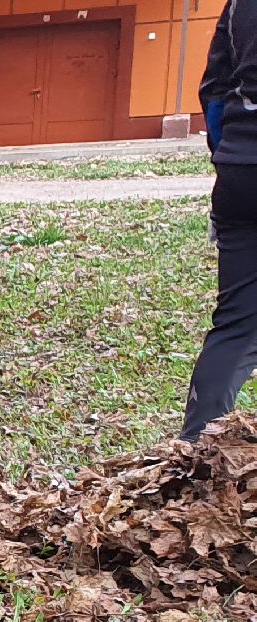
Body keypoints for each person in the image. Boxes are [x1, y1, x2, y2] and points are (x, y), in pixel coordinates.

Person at [186, 0, 257, 439]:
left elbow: (214, 92)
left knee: (235, 326)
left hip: (241, 169)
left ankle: (193, 455)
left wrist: (230, 159)